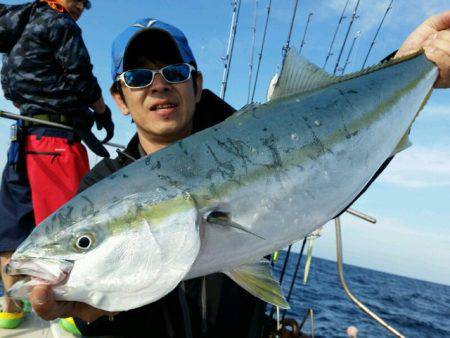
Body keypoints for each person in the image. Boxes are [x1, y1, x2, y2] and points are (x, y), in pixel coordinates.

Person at [28, 9, 450, 338]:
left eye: (174, 73)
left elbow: (332, 161)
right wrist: (94, 315)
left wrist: (411, 65)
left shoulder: (269, 139)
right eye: (138, 78)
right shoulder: (100, 187)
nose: (158, 86)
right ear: (120, 99)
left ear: (197, 85)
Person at [0, 0, 114, 329]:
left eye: (84, 3)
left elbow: (10, 84)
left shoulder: (18, 23)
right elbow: (80, 75)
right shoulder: (60, 23)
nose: (79, 6)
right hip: (56, 140)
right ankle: (72, 317)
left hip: (22, 138)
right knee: (74, 229)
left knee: (11, 227)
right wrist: (101, 111)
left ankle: (10, 308)